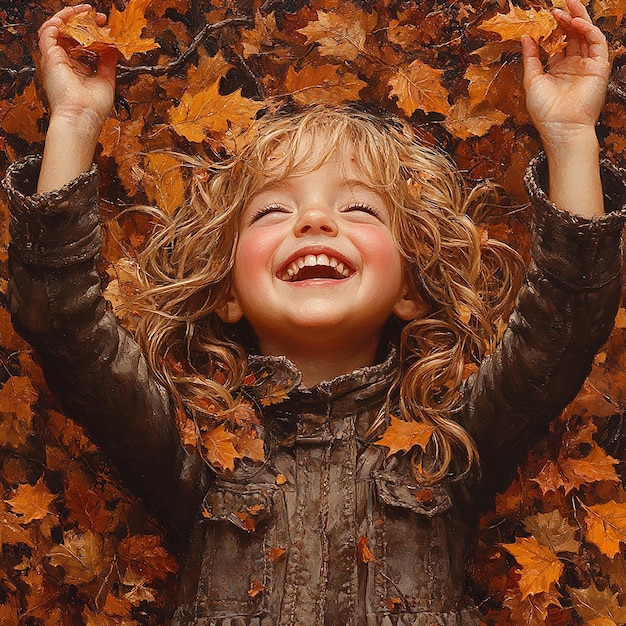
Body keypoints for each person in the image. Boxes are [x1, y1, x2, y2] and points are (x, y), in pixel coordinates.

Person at [3, 1, 625, 624]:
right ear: (229, 295)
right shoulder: (193, 449)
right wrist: (75, 125)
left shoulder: (447, 445)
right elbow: (62, 320)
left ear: (410, 288)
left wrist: (571, 138)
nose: (314, 219)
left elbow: (566, 315)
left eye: (360, 209)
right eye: (272, 211)